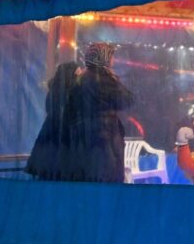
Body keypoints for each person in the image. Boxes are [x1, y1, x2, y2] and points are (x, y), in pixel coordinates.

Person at [64, 42, 133, 183]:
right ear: (104, 58)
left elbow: (69, 109)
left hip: (83, 138)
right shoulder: (105, 78)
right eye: (111, 56)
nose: (113, 60)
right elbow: (127, 100)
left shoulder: (79, 79)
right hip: (105, 139)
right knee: (107, 180)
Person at [26, 61, 81, 181]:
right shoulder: (71, 93)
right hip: (65, 138)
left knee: (48, 175)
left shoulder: (54, 91)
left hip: (49, 137)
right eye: (77, 75)